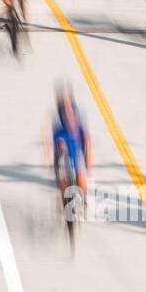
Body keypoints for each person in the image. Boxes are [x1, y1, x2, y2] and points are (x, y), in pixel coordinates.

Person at [51, 84, 91, 212]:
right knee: (61, 174)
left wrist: (88, 164)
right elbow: (50, 141)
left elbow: (86, 140)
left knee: (80, 169)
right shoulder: (57, 119)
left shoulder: (79, 115)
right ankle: (64, 198)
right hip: (62, 142)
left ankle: (84, 199)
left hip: (75, 145)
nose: (68, 112)